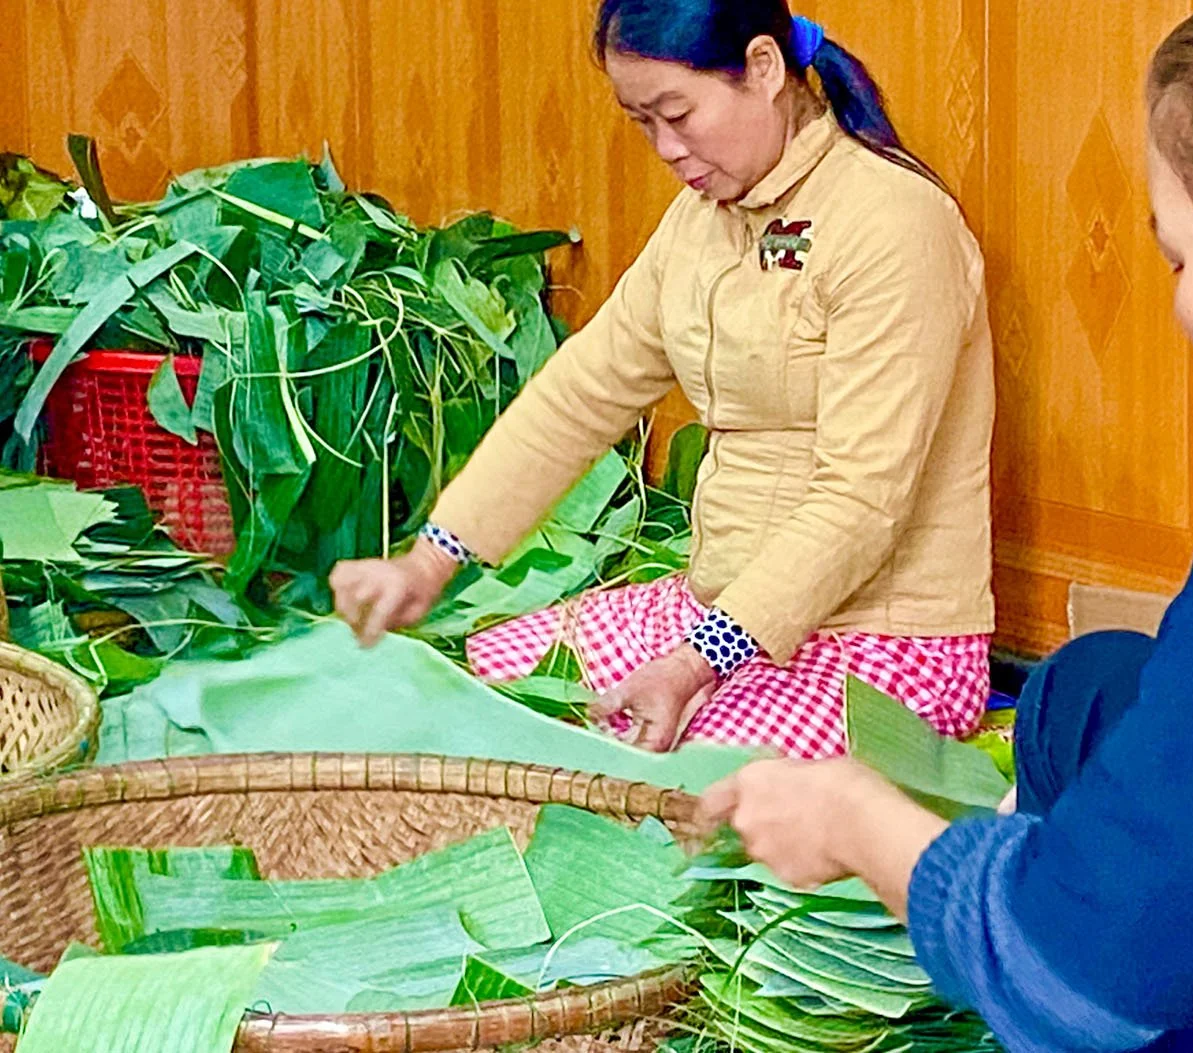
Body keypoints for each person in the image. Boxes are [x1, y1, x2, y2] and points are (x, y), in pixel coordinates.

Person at [701, 1, 1193, 1048]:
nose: (1184, 308)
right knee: (1085, 688)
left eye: (1181, 260)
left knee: (1097, 953)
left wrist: (858, 820)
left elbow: (1071, 974)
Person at [328, 0, 996, 759]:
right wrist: (431, 560)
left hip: (879, 645)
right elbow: (582, 393)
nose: (666, 147)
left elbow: (861, 500)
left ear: (765, 69)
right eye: (643, 122)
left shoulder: (894, 224)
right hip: (711, 617)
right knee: (485, 701)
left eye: (677, 113)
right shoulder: (701, 219)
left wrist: (693, 663)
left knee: (657, 785)